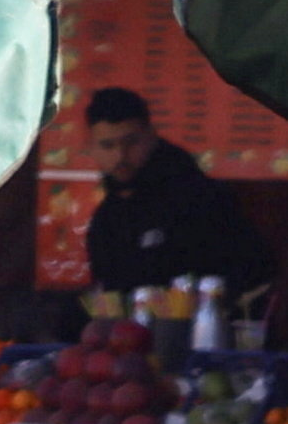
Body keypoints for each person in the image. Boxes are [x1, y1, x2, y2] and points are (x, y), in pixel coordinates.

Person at [80, 87, 274, 318]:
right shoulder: (106, 218)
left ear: (151, 135)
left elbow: (252, 274)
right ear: (92, 147)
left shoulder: (200, 198)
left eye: (131, 142)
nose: (120, 156)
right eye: (107, 146)